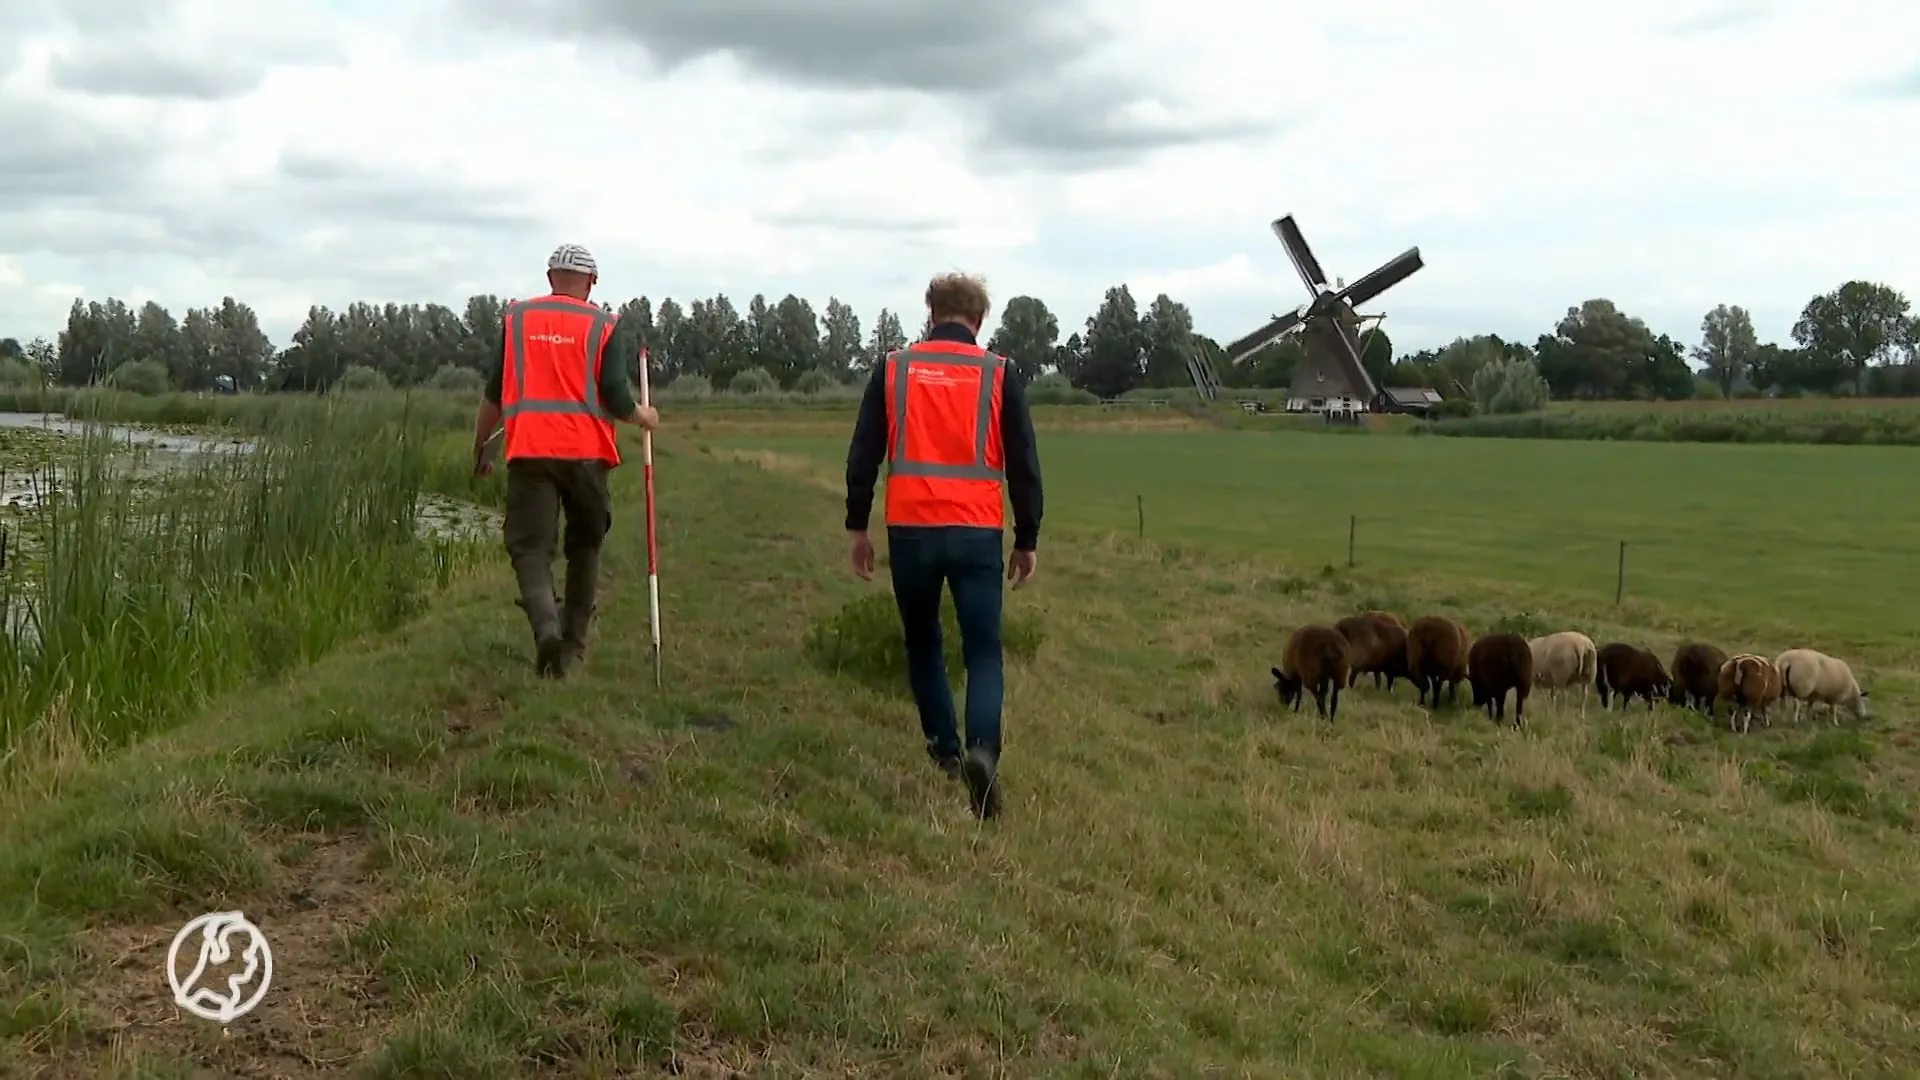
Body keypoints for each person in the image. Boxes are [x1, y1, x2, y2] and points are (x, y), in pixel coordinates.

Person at [843, 272, 1043, 820]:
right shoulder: (999, 373)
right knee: (983, 650)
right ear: (979, 320)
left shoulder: (894, 368)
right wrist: (1026, 539)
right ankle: (983, 748)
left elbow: (864, 453)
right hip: (977, 531)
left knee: (924, 643)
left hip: (910, 529)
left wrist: (857, 528)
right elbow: (1024, 464)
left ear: (931, 313)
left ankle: (946, 753)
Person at [472, 243, 660, 677]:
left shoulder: (518, 319)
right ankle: (572, 647)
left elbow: (494, 394)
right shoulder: (605, 325)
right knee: (585, 545)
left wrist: (483, 447)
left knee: (530, 547)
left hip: (530, 452)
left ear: (549, 277)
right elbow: (615, 396)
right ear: (592, 282)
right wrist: (643, 415)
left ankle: (545, 629)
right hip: (587, 455)